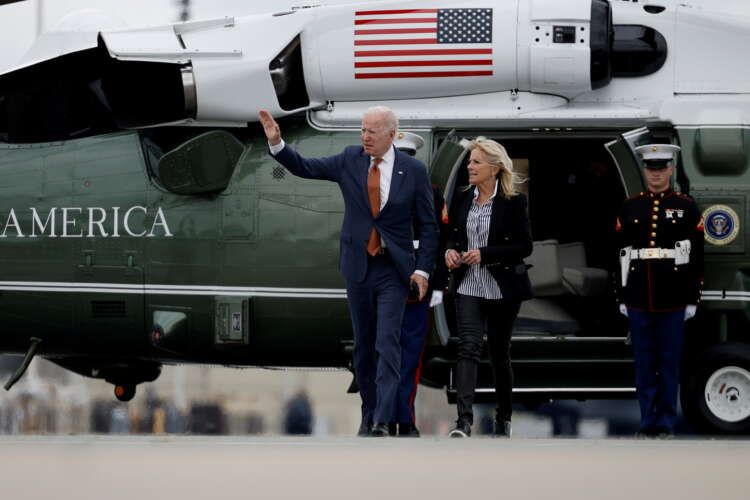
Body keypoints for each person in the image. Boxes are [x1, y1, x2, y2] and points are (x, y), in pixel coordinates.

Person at [258, 107, 438, 437]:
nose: (365, 137)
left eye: (372, 131)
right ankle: (369, 414)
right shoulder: (349, 160)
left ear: (391, 134)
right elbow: (305, 167)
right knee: (364, 347)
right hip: (359, 269)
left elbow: (429, 226)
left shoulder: (413, 170)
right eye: (363, 130)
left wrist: (422, 271)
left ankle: (383, 419)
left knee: (388, 343)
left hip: (394, 270)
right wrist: (277, 144)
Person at [444, 137, 533, 438]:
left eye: (476, 162)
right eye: (470, 162)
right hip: (468, 283)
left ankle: (503, 418)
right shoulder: (461, 196)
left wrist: (486, 254)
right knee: (468, 347)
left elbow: (525, 246)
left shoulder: (513, 201)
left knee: (498, 352)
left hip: (502, 286)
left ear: (494, 168)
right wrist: (450, 251)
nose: (469, 166)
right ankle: (463, 421)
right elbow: (451, 234)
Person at [615, 143, 704, 438]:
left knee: (668, 363)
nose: (656, 173)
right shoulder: (630, 206)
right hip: (639, 294)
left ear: (671, 169)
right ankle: (647, 422)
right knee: (644, 363)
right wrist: (622, 295)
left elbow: (696, 255)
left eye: (661, 167)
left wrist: (692, 297)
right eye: (651, 168)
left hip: (673, 295)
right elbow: (620, 253)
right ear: (644, 170)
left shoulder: (686, 206)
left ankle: (665, 423)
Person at [388, 132, 450, 437]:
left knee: (411, 355)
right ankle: (384, 416)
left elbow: (438, 238)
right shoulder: (374, 188)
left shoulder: (431, 193)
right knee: (386, 354)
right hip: (385, 280)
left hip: (416, 283)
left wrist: (437, 283)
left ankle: (403, 417)